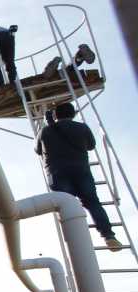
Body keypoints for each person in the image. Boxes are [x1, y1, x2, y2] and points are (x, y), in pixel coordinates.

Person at [36, 103, 124, 251]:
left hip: (57, 173)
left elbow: (38, 150)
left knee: (66, 207)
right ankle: (109, 236)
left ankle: (75, 244)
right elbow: (91, 145)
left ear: (56, 115)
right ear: (74, 113)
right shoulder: (82, 128)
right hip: (81, 170)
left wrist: (48, 126)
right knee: (93, 203)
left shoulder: (45, 131)